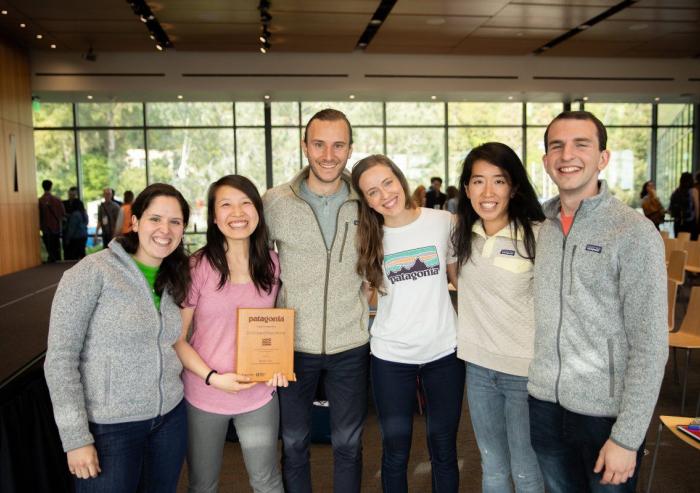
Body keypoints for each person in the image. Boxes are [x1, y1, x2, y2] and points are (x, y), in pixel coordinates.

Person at [528, 111, 667, 493]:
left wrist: (628, 436)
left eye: (580, 144)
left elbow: (651, 343)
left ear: (602, 158)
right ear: (545, 161)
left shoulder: (633, 232)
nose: (566, 154)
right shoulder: (542, 226)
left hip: (604, 414)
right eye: (556, 146)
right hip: (544, 404)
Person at [44, 183, 192, 492]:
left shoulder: (175, 276)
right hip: (110, 428)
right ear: (135, 222)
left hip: (169, 420)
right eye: (155, 219)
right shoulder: (92, 272)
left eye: (175, 221)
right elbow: (60, 359)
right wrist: (76, 438)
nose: (164, 229)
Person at [263, 108, 370, 493]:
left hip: (350, 343)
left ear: (350, 148)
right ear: (305, 146)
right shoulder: (275, 201)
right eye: (319, 144)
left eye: (338, 145)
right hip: (293, 345)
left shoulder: (365, 201)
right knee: (293, 443)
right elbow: (253, 264)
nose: (329, 154)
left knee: (349, 443)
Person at [352, 154, 464, 492]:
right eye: (372, 191)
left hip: (444, 351)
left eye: (387, 182)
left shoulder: (443, 221)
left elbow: (461, 280)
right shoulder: (367, 237)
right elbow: (366, 296)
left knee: (443, 448)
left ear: (399, 178)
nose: (384, 194)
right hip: (391, 356)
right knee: (395, 451)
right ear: (365, 201)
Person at [174, 175, 286, 493]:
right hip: (204, 394)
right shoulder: (196, 267)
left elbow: (278, 328)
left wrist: (278, 363)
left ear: (258, 211)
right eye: (226, 204)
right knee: (203, 484)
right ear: (213, 215)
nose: (237, 213)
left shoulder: (273, 265)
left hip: (259, 394)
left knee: (267, 480)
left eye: (245, 203)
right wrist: (213, 378)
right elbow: (178, 338)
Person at [452, 142, 544, 492]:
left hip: (525, 372)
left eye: (499, 181)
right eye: (478, 181)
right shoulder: (462, 234)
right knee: (491, 467)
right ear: (466, 188)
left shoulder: (537, 234)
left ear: (514, 187)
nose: (487, 192)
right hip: (477, 367)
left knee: (525, 470)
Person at [39, 179, 65, 262]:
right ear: (51, 187)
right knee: (56, 247)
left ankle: (50, 260)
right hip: (55, 228)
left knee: (48, 248)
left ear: (42, 187)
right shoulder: (57, 200)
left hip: (45, 228)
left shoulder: (40, 201)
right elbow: (62, 213)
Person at [669, 172, 698, 240]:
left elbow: (670, 209)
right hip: (690, 223)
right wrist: (697, 222)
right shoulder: (693, 191)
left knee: (679, 243)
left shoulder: (676, 192)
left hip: (678, 223)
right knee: (690, 244)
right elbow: (697, 208)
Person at [63, 193, 89, 260]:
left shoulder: (75, 214)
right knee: (82, 253)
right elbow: (86, 223)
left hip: (76, 237)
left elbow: (72, 228)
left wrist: (67, 238)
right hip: (84, 235)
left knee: (75, 255)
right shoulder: (84, 213)